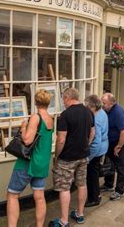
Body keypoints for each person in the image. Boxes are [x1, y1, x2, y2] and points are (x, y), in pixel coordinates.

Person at [7, 89, 54, 227]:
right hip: (42, 162)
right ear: (48, 102)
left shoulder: (36, 117)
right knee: (39, 197)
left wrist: (23, 127)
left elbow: (27, 140)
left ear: (35, 101)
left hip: (29, 162)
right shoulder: (50, 119)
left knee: (12, 195)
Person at [50, 88, 94, 227]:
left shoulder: (65, 115)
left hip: (67, 158)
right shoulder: (88, 112)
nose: (63, 102)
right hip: (83, 155)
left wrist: (57, 155)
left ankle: (64, 221)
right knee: (82, 184)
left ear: (68, 98)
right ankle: (80, 214)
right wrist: (86, 144)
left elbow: (61, 139)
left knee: (64, 188)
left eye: (63, 99)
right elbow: (92, 132)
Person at [100, 93, 124, 201]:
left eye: (104, 103)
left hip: (120, 140)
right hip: (110, 140)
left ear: (111, 103)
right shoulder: (106, 110)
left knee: (120, 165)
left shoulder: (118, 112)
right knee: (110, 162)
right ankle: (108, 185)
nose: (102, 105)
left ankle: (119, 190)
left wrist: (119, 146)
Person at [84, 94, 109, 207]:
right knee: (95, 173)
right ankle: (97, 194)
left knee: (92, 175)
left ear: (92, 106)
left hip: (97, 151)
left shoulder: (96, 118)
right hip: (103, 147)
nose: (85, 107)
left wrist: (89, 158)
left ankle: (93, 199)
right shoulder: (102, 112)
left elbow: (96, 142)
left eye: (87, 105)